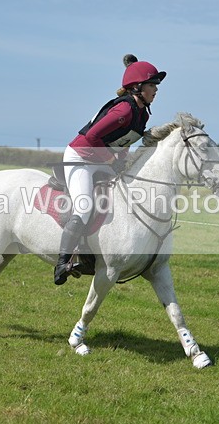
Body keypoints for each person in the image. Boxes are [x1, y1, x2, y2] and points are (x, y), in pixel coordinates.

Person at [54, 54, 166, 285]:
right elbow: (93, 136)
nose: (156, 90)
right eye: (152, 85)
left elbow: (122, 142)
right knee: (84, 207)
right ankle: (62, 262)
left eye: (156, 86)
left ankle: (90, 255)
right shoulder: (124, 110)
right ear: (137, 87)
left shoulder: (141, 113)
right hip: (81, 157)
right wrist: (111, 161)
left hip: (102, 159)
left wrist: (121, 162)